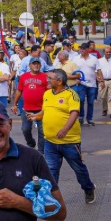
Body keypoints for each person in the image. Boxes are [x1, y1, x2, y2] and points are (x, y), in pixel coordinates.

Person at [33, 69, 96, 203]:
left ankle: (88, 188)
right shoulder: (47, 94)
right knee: (51, 170)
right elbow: (46, 110)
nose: (47, 81)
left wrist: (65, 129)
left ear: (59, 81)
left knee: (79, 169)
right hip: (50, 141)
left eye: (50, 78)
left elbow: (74, 113)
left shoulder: (71, 95)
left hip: (69, 142)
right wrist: (36, 115)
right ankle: (51, 198)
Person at [13, 58, 49, 150]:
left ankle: (41, 150)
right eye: (34, 64)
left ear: (40, 66)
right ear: (29, 66)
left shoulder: (45, 77)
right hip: (27, 108)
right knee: (25, 129)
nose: (36, 65)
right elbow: (19, 90)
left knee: (42, 131)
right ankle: (31, 143)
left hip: (41, 108)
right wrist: (14, 104)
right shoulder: (24, 77)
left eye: (38, 64)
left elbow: (49, 92)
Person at [72, 43, 99, 126]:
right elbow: (73, 71)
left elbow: (98, 70)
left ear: (88, 49)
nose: (82, 50)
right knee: (81, 100)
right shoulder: (76, 59)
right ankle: (81, 117)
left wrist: (100, 80)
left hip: (92, 83)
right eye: (81, 48)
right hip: (81, 83)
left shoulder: (94, 59)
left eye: (84, 48)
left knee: (90, 102)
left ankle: (89, 118)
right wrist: (76, 79)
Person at [99, 46, 111, 117]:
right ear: (104, 52)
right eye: (107, 52)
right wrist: (101, 81)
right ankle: (105, 109)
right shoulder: (99, 61)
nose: (108, 53)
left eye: (109, 52)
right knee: (103, 96)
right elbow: (97, 71)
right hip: (103, 81)